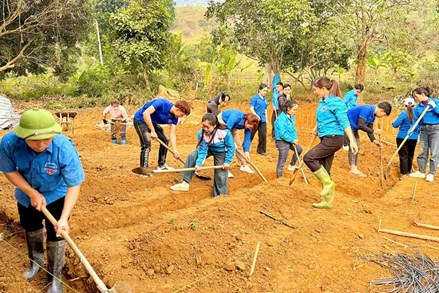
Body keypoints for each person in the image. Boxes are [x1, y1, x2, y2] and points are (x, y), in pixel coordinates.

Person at [0, 109, 85, 292]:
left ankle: (55, 277)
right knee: (31, 227)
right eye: (35, 140)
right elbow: (9, 170)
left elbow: (74, 184)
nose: (41, 145)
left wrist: (63, 219)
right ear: (23, 136)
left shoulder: (64, 148)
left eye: (47, 139)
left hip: (57, 195)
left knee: (56, 234)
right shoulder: (9, 143)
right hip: (26, 195)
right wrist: (31, 193)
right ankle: (35, 264)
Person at [303, 76, 358, 209]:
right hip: (325, 136)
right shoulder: (322, 101)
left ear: (323, 89)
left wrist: (352, 140)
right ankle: (327, 201)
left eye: (316, 89)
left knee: (308, 157)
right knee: (325, 169)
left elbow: (344, 122)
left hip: (334, 139)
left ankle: (328, 184)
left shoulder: (337, 102)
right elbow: (322, 117)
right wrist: (316, 128)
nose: (314, 91)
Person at [170, 113, 236, 197]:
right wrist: (199, 163)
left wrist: (227, 162)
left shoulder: (224, 132)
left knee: (221, 171)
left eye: (207, 127)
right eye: (203, 126)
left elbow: (231, 148)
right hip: (208, 148)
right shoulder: (201, 133)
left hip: (221, 151)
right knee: (192, 155)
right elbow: (202, 150)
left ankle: (220, 195)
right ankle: (185, 183)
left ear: (214, 125)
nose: (205, 129)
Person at [133, 98, 191, 174]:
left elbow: (172, 133)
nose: (181, 117)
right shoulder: (161, 103)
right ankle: (144, 169)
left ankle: (162, 165)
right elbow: (146, 113)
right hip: (140, 120)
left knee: (165, 139)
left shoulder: (174, 118)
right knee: (146, 144)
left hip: (152, 122)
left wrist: (175, 150)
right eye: (182, 115)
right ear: (177, 110)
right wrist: (153, 131)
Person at [346, 101, 392, 176]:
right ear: (381, 111)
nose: (382, 117)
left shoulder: (373, 116)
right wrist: (374, 131)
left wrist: (374, 140)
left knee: (357, 146)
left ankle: (354, 167)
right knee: (354, 146)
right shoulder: (367, 109)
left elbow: (369, 128)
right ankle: (353, 169)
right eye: (383, 115)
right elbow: (361, 125)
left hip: (354, 128)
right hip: (347, 126)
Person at [409, 87, 439, 182]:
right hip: (424, 130)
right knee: (422, 151)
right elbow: (416, 121)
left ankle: (431, 173)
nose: (415, 98)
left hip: (436, 129)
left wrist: (434, 107)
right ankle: (421, 172)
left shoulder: (435, 101)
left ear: (422, 94)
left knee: (434, 152)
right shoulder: (419, 107)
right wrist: (412, 130)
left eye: (416, 96)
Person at [218, 109, 260, 175]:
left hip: (232, 127)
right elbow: (226, 131)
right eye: (249, 126)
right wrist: (231, 142)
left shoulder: (249, 126)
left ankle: (244, 165)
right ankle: (224, 169)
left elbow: (247, 139)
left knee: (239, 145)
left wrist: (247, 151)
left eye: (251, 127)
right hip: (222, 123)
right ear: (246, 121)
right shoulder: (235, 116)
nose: (249, 128)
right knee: (227, 146)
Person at [392, 97, 420, 179]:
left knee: (403, 155)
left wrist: (393, 123)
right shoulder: (418, 114)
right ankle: (409, 170)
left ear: (405, 105)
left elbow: (395, 125)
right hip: (413, 138)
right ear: (414, 105)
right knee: (410, 154)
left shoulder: (403, 114)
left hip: (402, 137)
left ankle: (403, 173)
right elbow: (420, 126)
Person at [274, 99, 303, 178]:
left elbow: (293, 129)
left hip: (289, 139)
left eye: (296, 110)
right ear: (288, 109)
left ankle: (292, 165)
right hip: (282, 141)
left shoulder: (292, 117)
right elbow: (283, 134)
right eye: (294, 110)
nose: (295, 112)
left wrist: (295, 139)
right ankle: (279, 178)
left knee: (299, 149)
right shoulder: (281, 119)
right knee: (282, 160)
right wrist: (292, 140)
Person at [342, 84, 364, 151]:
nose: (358, 93)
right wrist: (345, 110)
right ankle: (344, 144)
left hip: (352, 112)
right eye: (357, 91)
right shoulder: (349, 94)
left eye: (359, 92)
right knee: (347, 126)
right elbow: (344, 102)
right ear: (354, 89)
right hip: (347, 112)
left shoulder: (356, 95)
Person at [250, 83, 269, 156]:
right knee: (251, 134)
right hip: (255, 119)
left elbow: (265, 109)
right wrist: (256, 116)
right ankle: (245, 148)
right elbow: (251, 108)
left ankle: (261, 150)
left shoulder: (265, 99)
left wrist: (266, 119)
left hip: (263, 119)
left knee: (263, 135)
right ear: (259, 90)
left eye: (266, 91)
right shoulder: (254, 98)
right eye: (264, 91)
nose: (265, 92)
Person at [271, 73, 283, 140]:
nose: (276, 88)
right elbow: (273, 100)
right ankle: (274, 136)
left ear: (281, 87)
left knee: (279, 123)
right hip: (275, 110)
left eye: (278, 87)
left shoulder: (283, 94)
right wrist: (273, 105)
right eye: (276, 87)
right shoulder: (274, 93)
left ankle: (280, 136)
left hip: (280, 111)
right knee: (273, 122)